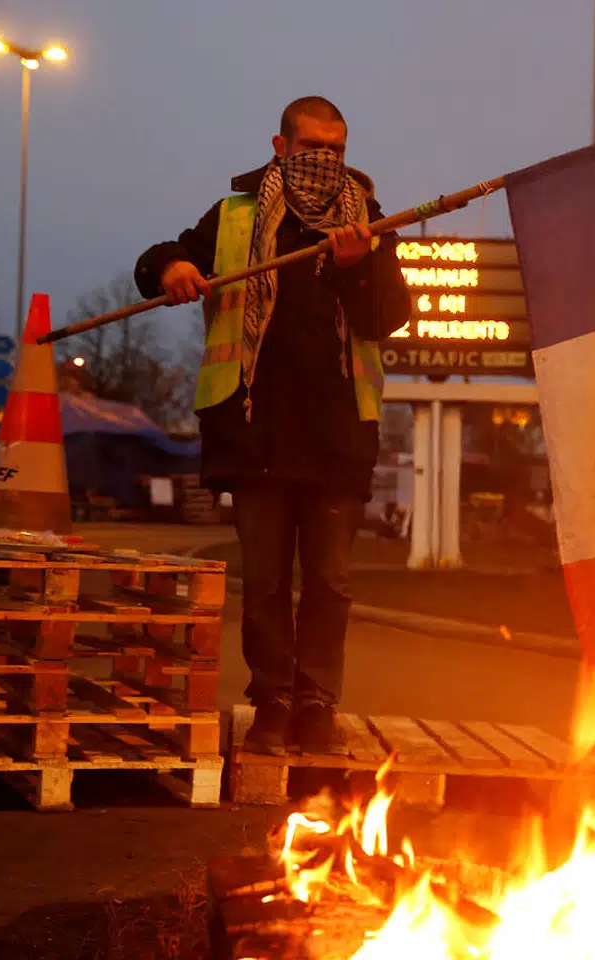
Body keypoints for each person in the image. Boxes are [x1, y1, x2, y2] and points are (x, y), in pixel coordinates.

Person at [134, 96, 410, 755]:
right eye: (312, 146)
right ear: (280, 147)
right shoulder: (233, 216)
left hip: (339, 437)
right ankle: (273, 701)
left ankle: (317, 701)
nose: (326, 161)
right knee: (263, 582)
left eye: (337, 149)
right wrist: (172, 269)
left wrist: (354, 268)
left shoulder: (369, 222)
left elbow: (387, 318)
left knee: (330, 583)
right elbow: (163, 256)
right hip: (255, 434)